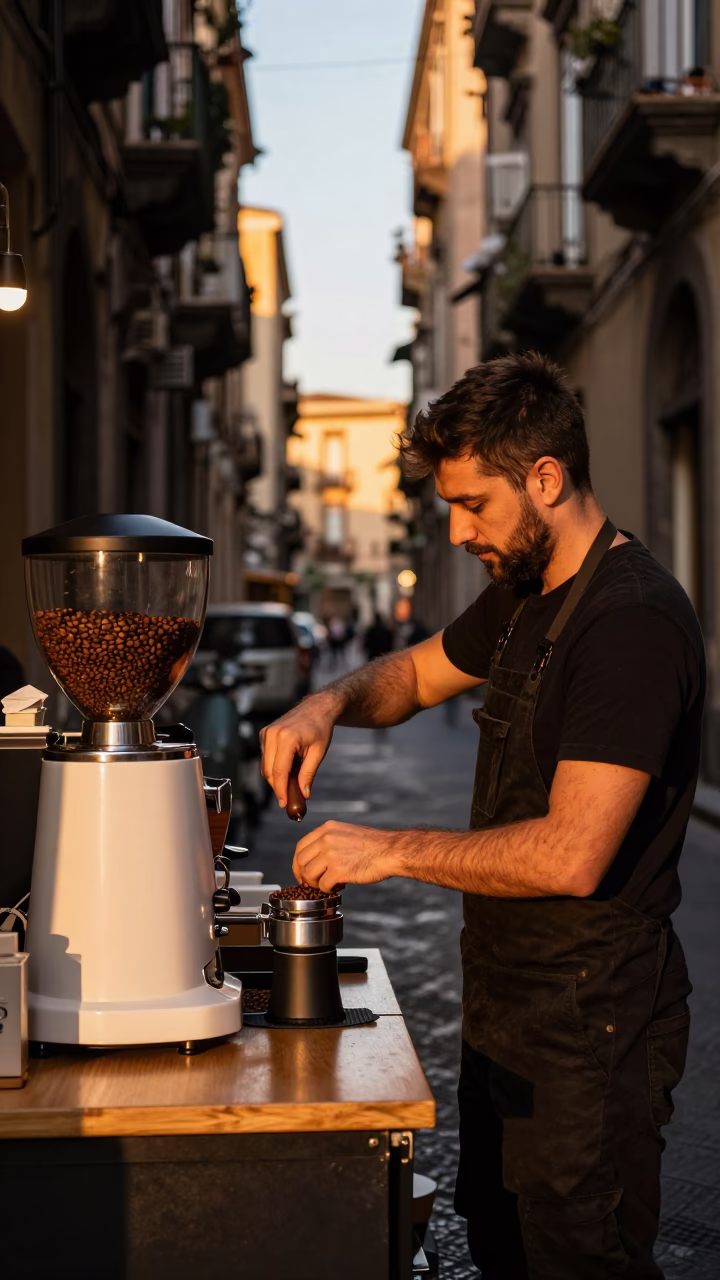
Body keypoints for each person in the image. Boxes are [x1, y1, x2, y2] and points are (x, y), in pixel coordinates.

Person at [260, 352, 704, 1280]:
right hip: (508, 1007)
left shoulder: (629, 623)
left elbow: (575, 854)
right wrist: (327, 704)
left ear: (546, 479)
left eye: (474, 504)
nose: (458, 530)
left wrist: (389, 850)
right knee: (506, 1250)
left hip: (592, 1027)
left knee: (581, 1258)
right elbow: (417, 673)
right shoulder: (523, 595)